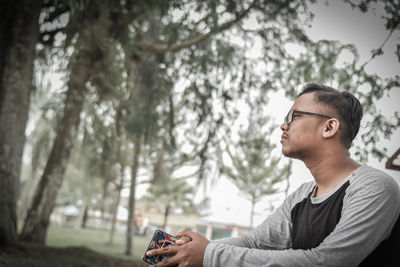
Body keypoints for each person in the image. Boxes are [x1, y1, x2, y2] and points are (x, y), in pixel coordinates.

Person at [146, 83, 400, 267]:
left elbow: (328, 261)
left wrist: (211, 255)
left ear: (330, 127)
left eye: (294, 116)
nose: (283, 125)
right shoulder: (301, 195)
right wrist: (198, 249)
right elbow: (255, 242)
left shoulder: (374, 187)